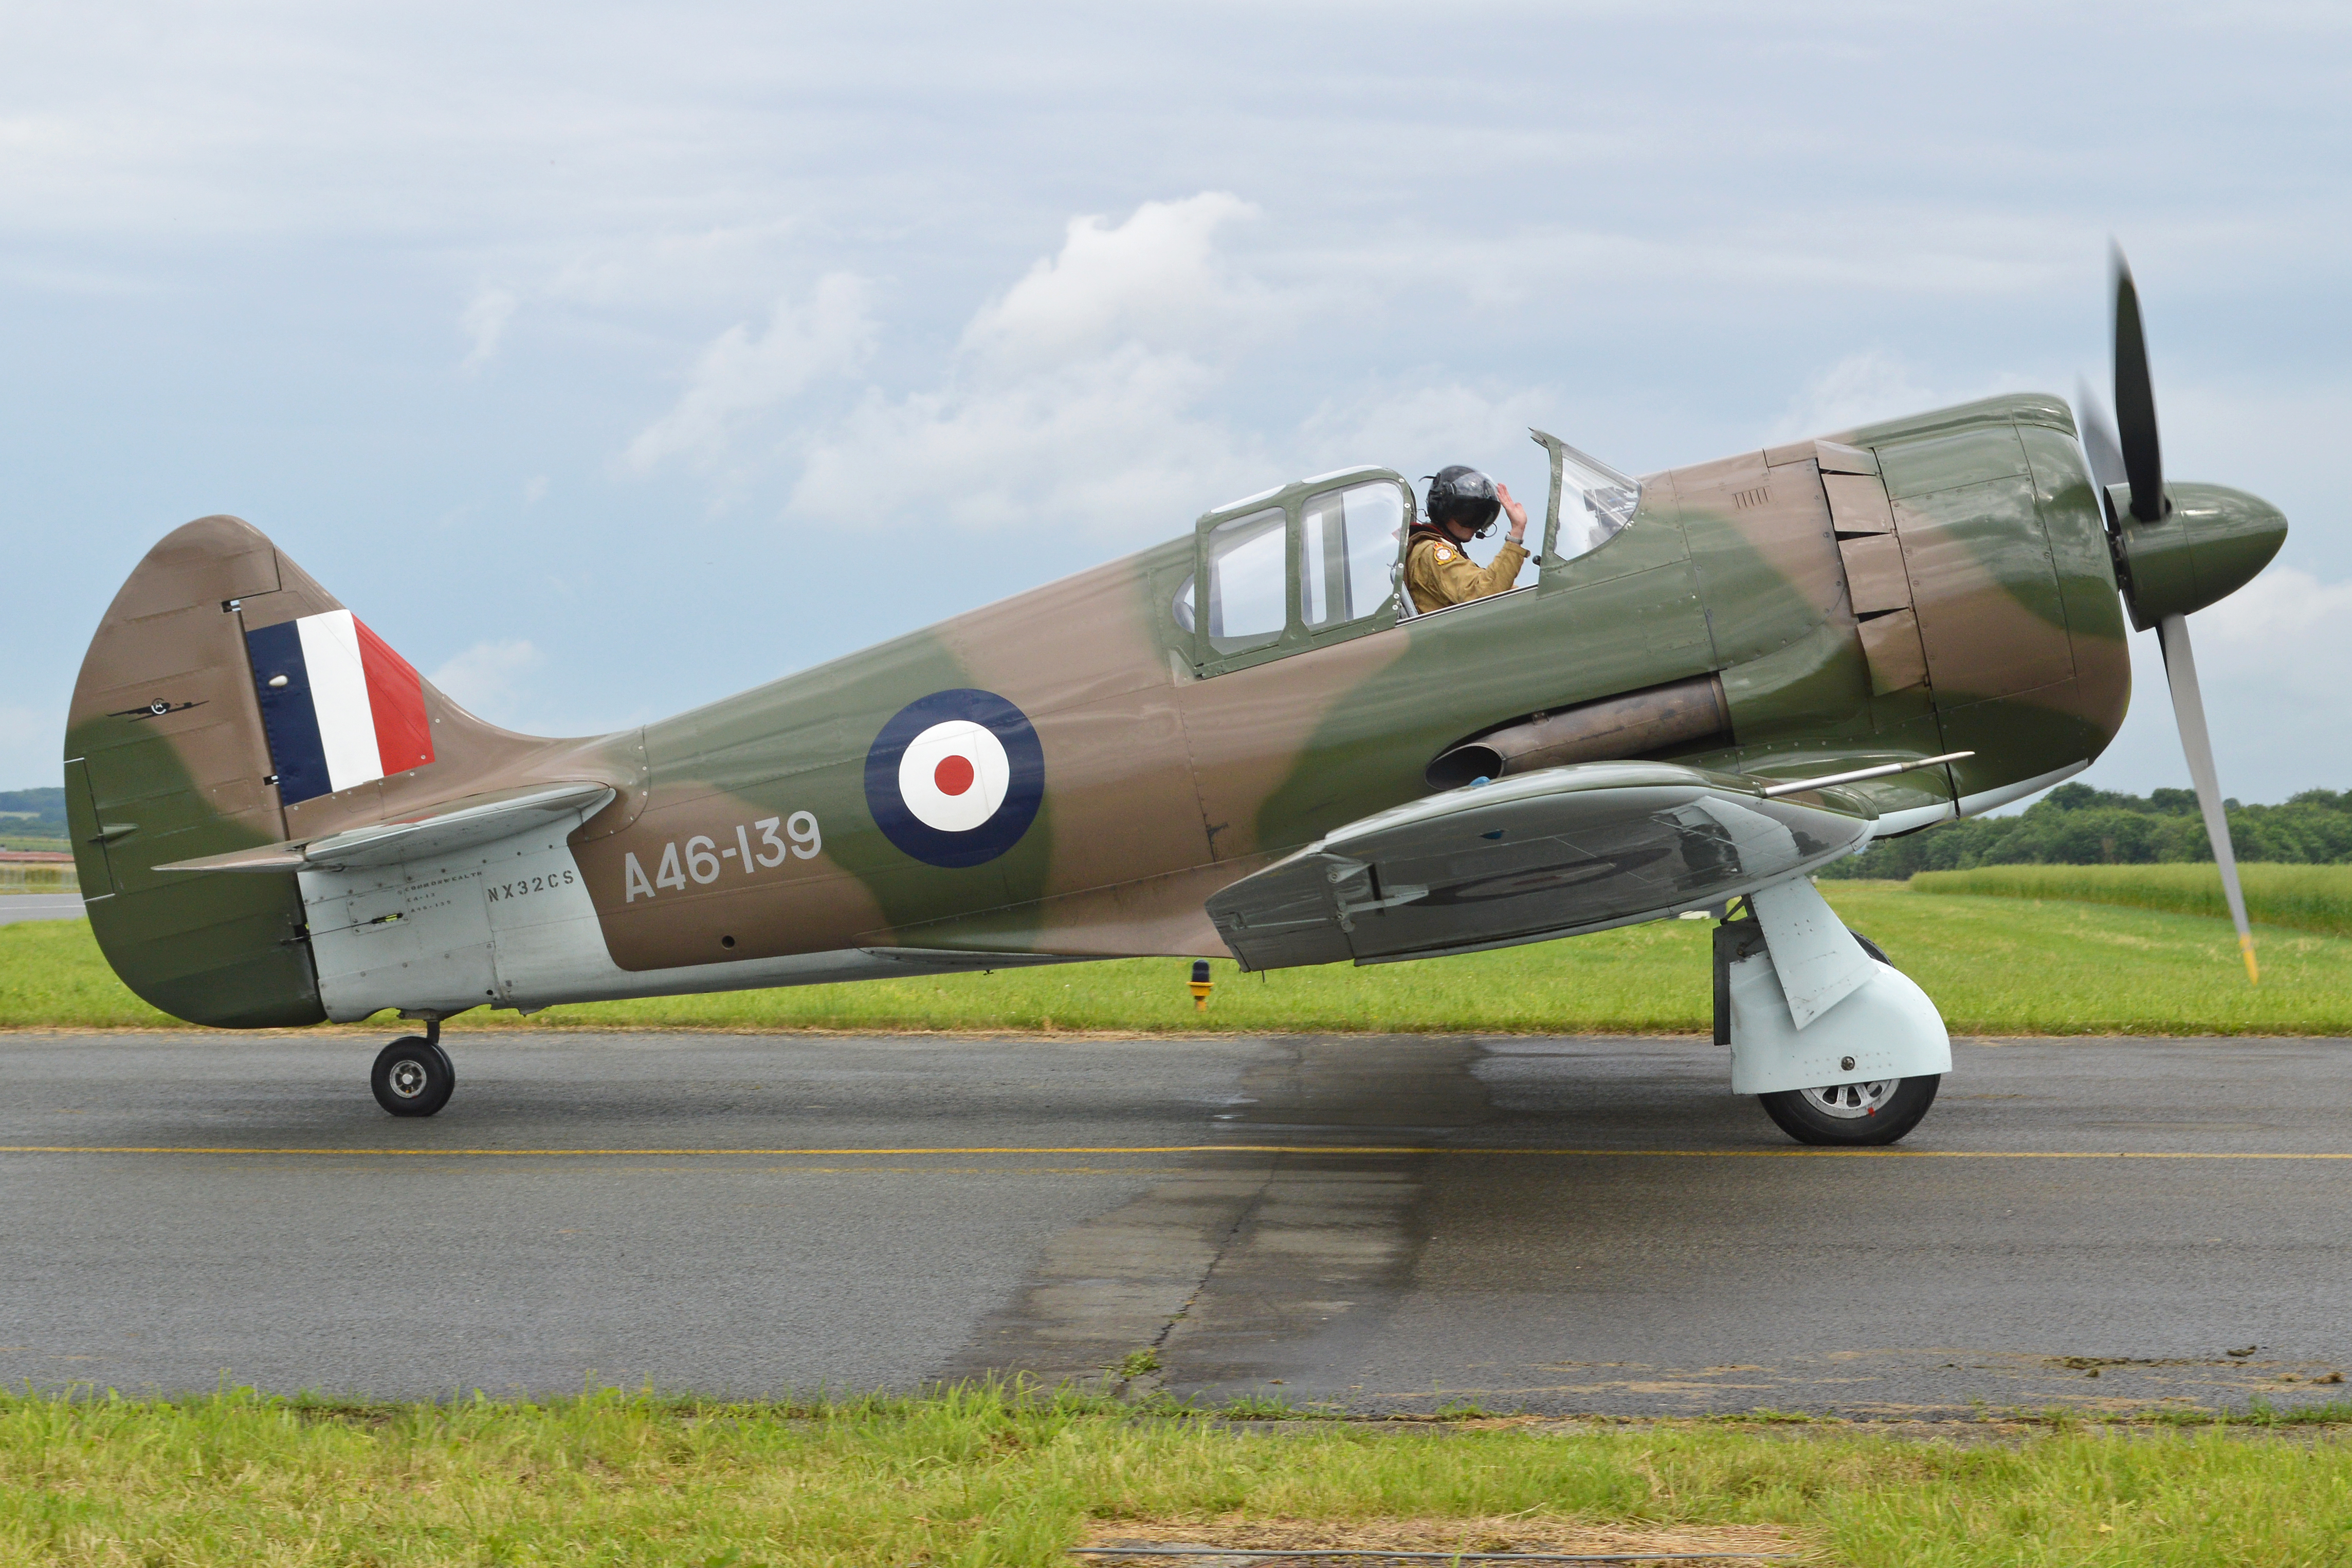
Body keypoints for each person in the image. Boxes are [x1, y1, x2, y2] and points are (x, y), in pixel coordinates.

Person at [1405, 466, 1530, 614]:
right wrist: (1516, 532)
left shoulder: (1434, 548)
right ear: (1444, 509)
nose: (1474, 525)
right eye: (1467, 515)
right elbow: (1484, 594)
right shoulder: (1432, 551)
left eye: (1481, 518)